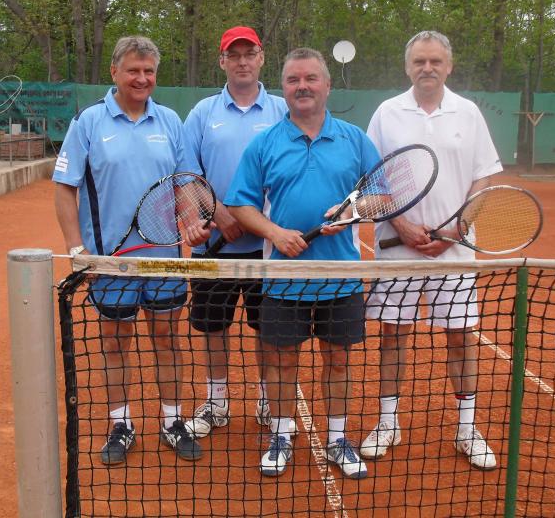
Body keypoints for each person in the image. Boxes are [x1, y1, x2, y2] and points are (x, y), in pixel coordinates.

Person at [225, 48, 381, 479]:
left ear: (327, 85)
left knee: (339, 361)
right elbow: (240, 203)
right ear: (284, 88)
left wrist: (351, 212)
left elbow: (382, 194)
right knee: (281, 362)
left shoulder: (354, 139)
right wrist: (275, 233)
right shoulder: (265, 143)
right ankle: (281, 434)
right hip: (283, 278)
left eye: (311, 78)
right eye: (294, 80)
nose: (303, 86)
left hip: (341, 277)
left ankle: (337, 439)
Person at [53, 35, 210, 465]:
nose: (142, 78)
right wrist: (77, 248)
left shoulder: (170, 121)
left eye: (149, 71)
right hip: (110, 262)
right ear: (114, 72)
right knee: (115, 342)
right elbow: (65, 188)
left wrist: (191, 222)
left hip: (164, 260)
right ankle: (121, 424)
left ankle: (173, 421)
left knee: (168, 339)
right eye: (133, 70)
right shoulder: (88, 122)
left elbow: (183, 183)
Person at [360, 30, 501, 470]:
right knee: (392, 335)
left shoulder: (469, 113)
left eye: (435, 61)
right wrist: (401, 225)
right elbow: (372, 179)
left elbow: (483, 178)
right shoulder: (387, 113)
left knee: (460, 337)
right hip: (397, 251)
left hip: (454, 253)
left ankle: (467, 429)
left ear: (448, 66)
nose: (427, 68)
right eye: (419, 61)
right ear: (408, 67)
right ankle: (388, 423)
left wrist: (458, 229)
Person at [181, 26, 288, 441]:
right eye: (234, 55)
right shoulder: (202, 113)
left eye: (249, 53)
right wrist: (221, 213)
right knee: (213, 329)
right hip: (214, 247)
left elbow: (291, 169)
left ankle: (265, 399)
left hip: (267, 249)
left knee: (268, 329)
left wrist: (257, 220)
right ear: (222, 61)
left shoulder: (281, 110)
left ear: (261, 58)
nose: (242, 61)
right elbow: (189, 173)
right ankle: (217, 402)